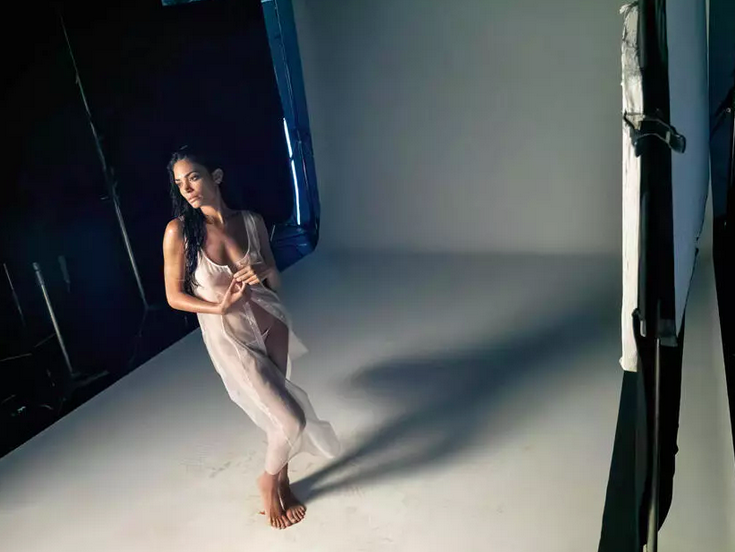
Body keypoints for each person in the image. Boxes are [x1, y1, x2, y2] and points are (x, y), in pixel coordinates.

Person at [162, 145, 340, 529]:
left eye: (194, 177)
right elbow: (173, 296)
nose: (187, 189)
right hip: (231, 338)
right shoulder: (179, 233)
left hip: (272, 324)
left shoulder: (251, 221)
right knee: (290, 420)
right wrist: (218, 306)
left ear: (216, 176)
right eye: (179, 183)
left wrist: (262, 270)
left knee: (279, 413)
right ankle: (268, 482)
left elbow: (274, 282)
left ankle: (285, 479)